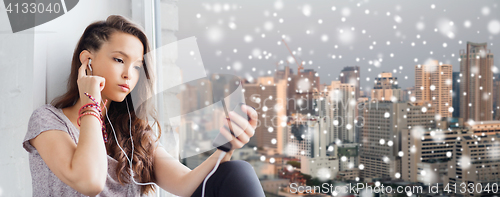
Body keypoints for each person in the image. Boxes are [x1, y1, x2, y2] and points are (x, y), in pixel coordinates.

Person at [22, 15, 265, 197]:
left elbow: (185, 184)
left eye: (137, 66)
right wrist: (91, 104)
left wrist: (225, 147)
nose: (129, 74)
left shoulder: (133, 131)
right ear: (87, 61)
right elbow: (90, 182)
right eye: (119, 60)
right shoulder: (48, 121)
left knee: (237, 171)